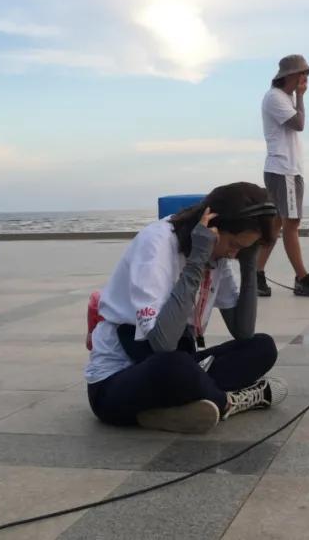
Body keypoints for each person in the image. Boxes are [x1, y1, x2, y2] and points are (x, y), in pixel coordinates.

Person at [85, 183, 288, 434]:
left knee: (262, 347)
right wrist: (196, 261)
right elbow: (163, 344)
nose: (233, 254)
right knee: (176, 366)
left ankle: (172, 410)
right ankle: (230, 402)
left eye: (243, 249)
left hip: (176, 368)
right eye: (234, 245)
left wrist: (249, 265)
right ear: (213, 227)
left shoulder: (219, 254)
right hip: (114, 385)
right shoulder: (157, 243)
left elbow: (243, 331)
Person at [256, 55, 309, 297]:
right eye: (302, 73)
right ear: (289, 76)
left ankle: (255, 275)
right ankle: (302, 278)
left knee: (276, 224)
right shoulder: (276, 98)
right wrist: (300, 97)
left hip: (287, 169)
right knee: (292, 224)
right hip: (284, 170)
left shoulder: (282, 97)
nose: (305, 78)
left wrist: (296, 96)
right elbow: (299, 124)